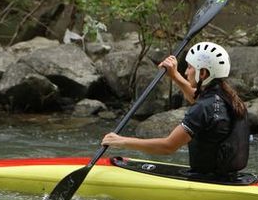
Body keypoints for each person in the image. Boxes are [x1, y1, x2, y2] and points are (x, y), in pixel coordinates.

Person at [102, 41, 249, 180]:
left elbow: (168, 147)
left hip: (206, 178)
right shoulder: (229, 98)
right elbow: (198, 100)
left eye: (190, 67)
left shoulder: (204, 107)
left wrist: (122, 141)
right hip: (228, 176)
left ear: (202, 74)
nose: (186, 72)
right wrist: (174, 75)